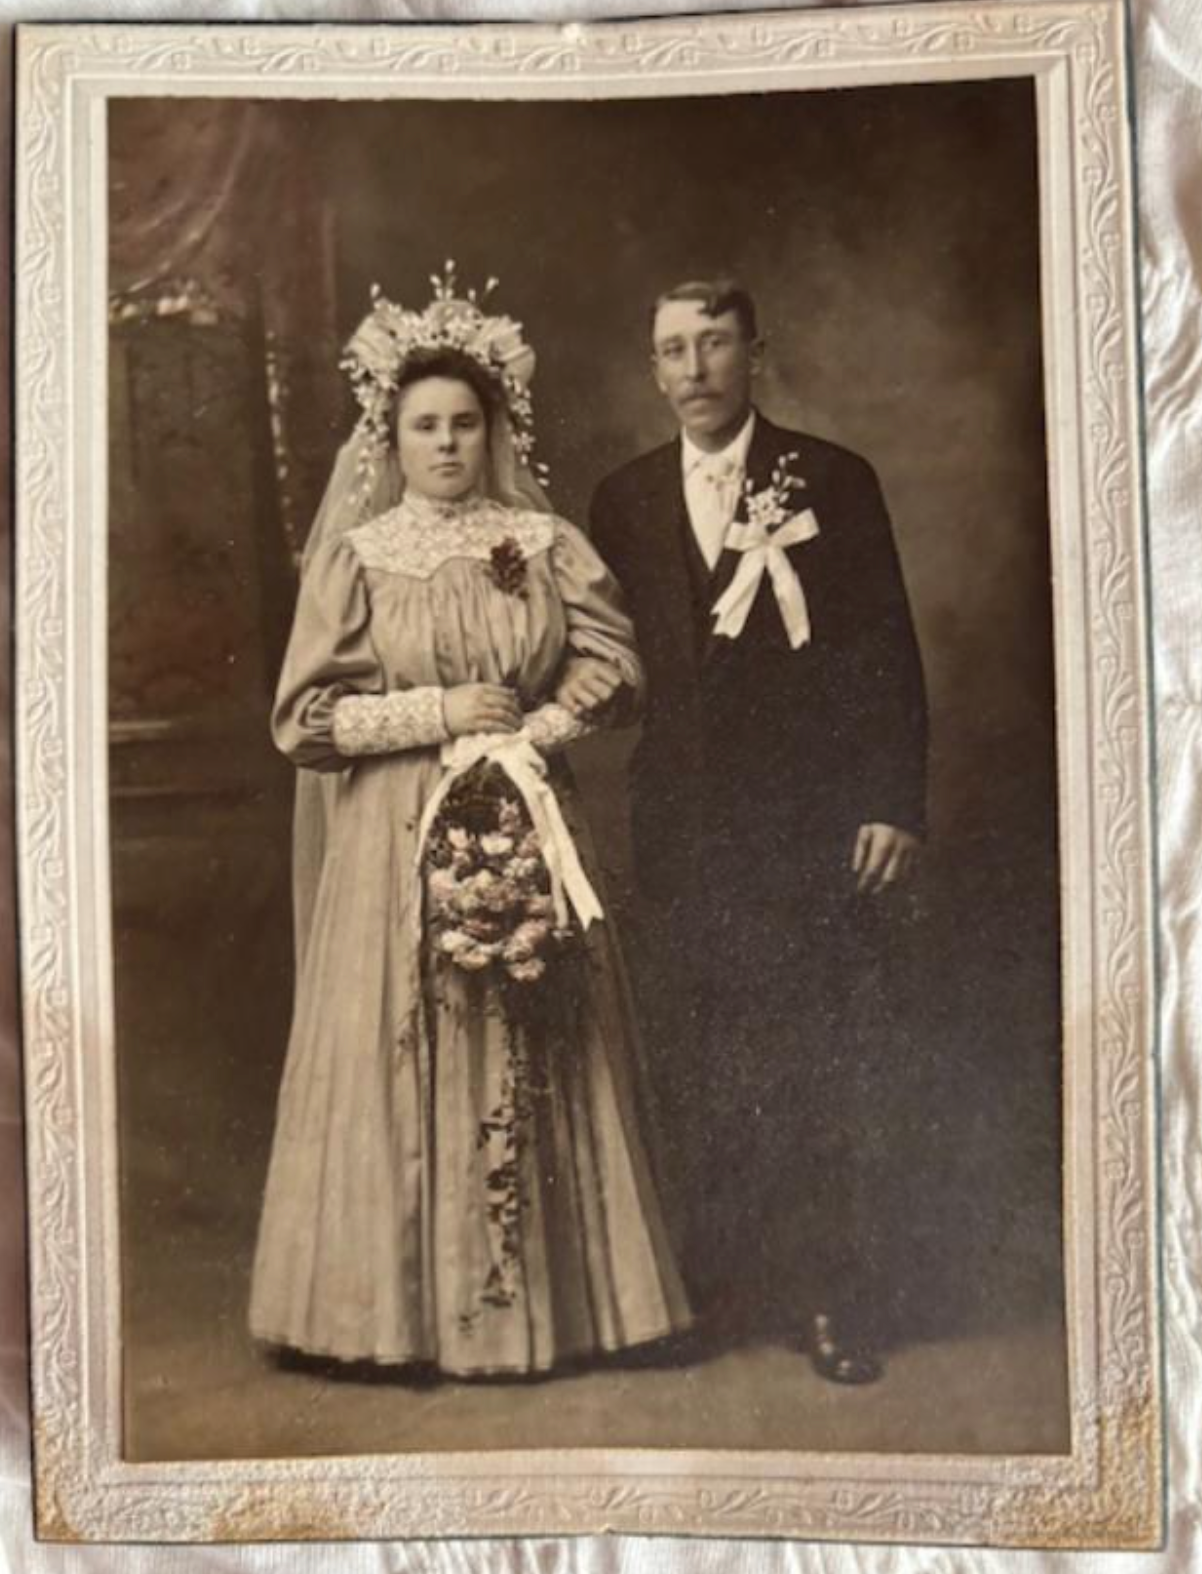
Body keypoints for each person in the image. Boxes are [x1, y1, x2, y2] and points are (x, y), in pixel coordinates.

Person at [249, 270, 689, 1378]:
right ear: (388, 440)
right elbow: (302, 719)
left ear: (494, 429)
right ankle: (390, 1317)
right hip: (390, 839)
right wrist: (434, 712)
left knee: (534, 1022)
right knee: (405, 1032)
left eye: (463, 424)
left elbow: (614, 661)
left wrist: (539, 727)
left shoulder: (539, 541)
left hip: (528, 809)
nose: (445, 444)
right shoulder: (355, 556)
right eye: (422, 427)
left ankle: (557, 1308)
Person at [586, 278, 928, 1384]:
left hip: (803, 821)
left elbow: (883, 646)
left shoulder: (830, 477)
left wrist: (890, 797)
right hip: (678, 827)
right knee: (694, 1052)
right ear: (653, 368)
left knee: (816, 1052)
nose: (692, 369)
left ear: (753, 352)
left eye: (713, 343)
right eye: (670, 350)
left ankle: (829, 1297)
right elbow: (609, 653)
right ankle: (712, 1290)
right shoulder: (624, 497)